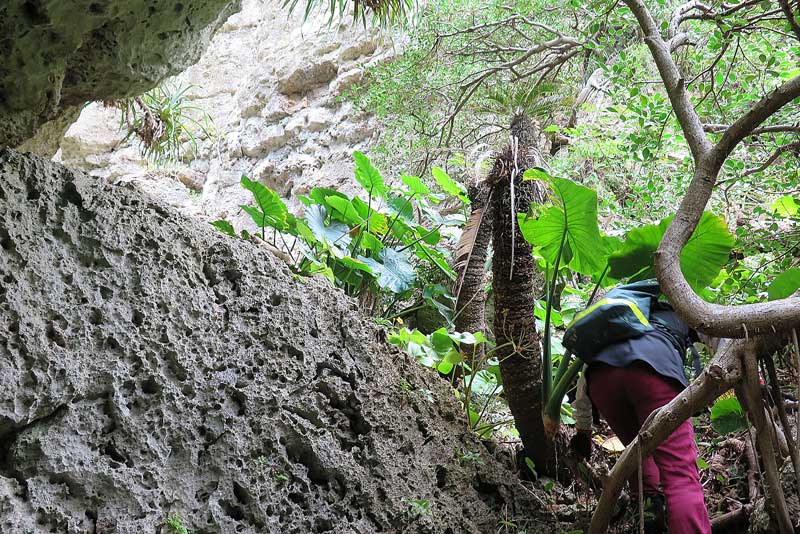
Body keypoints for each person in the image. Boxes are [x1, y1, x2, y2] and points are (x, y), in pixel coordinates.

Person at [571, 303, 712, 534]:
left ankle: (650, 516)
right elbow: (719, 334)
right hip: (652, 370)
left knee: (638, 451)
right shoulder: (680, 311)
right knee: (679, 475)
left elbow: (582, 384)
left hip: (601, 381)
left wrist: (583, 431)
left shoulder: (618, 322)